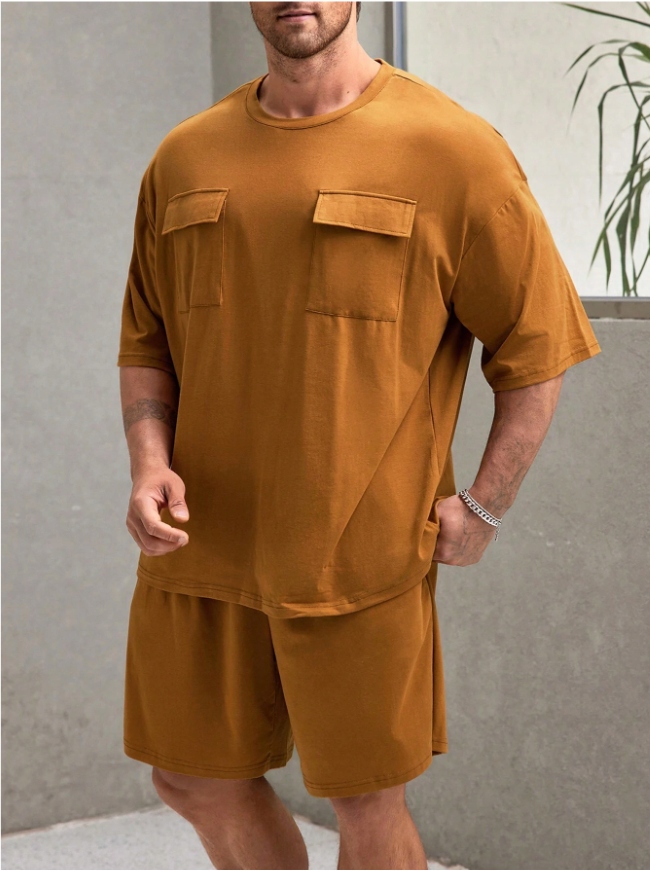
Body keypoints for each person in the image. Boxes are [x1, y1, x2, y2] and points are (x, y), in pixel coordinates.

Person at [116, 3, 602, 868]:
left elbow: (538, 348)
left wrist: (485, 505)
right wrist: (149, 461)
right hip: (200, 544)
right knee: (189, 777)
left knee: (367, 802)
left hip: (356, 554)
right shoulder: (185, 156)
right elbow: (147, 341)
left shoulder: (453, 151)